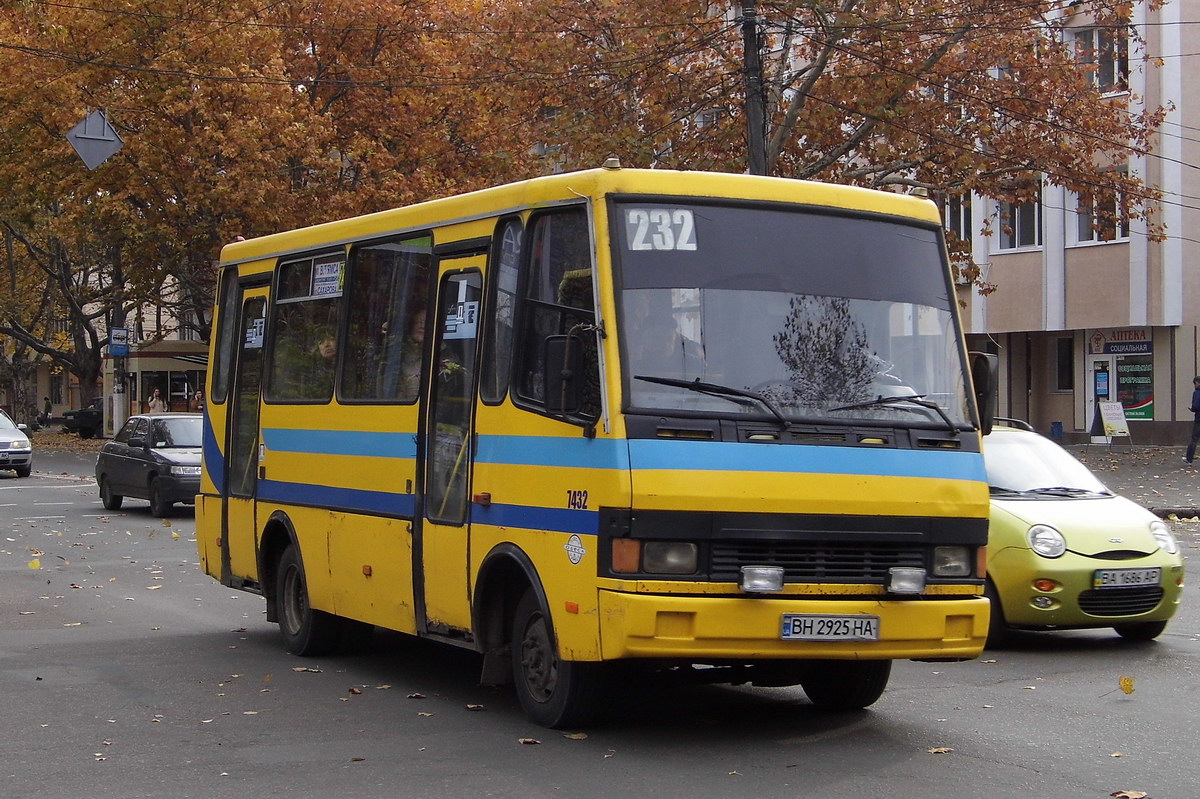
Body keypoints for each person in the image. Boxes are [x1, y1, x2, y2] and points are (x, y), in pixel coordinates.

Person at [1186, 376, 1200, 464]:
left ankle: (1189, 458)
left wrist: (1192, 409)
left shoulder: (1197, 393)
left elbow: (1196, 405)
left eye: (1195, 383)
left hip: (1199, 419)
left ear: (1197, 383)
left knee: (1194, 439)